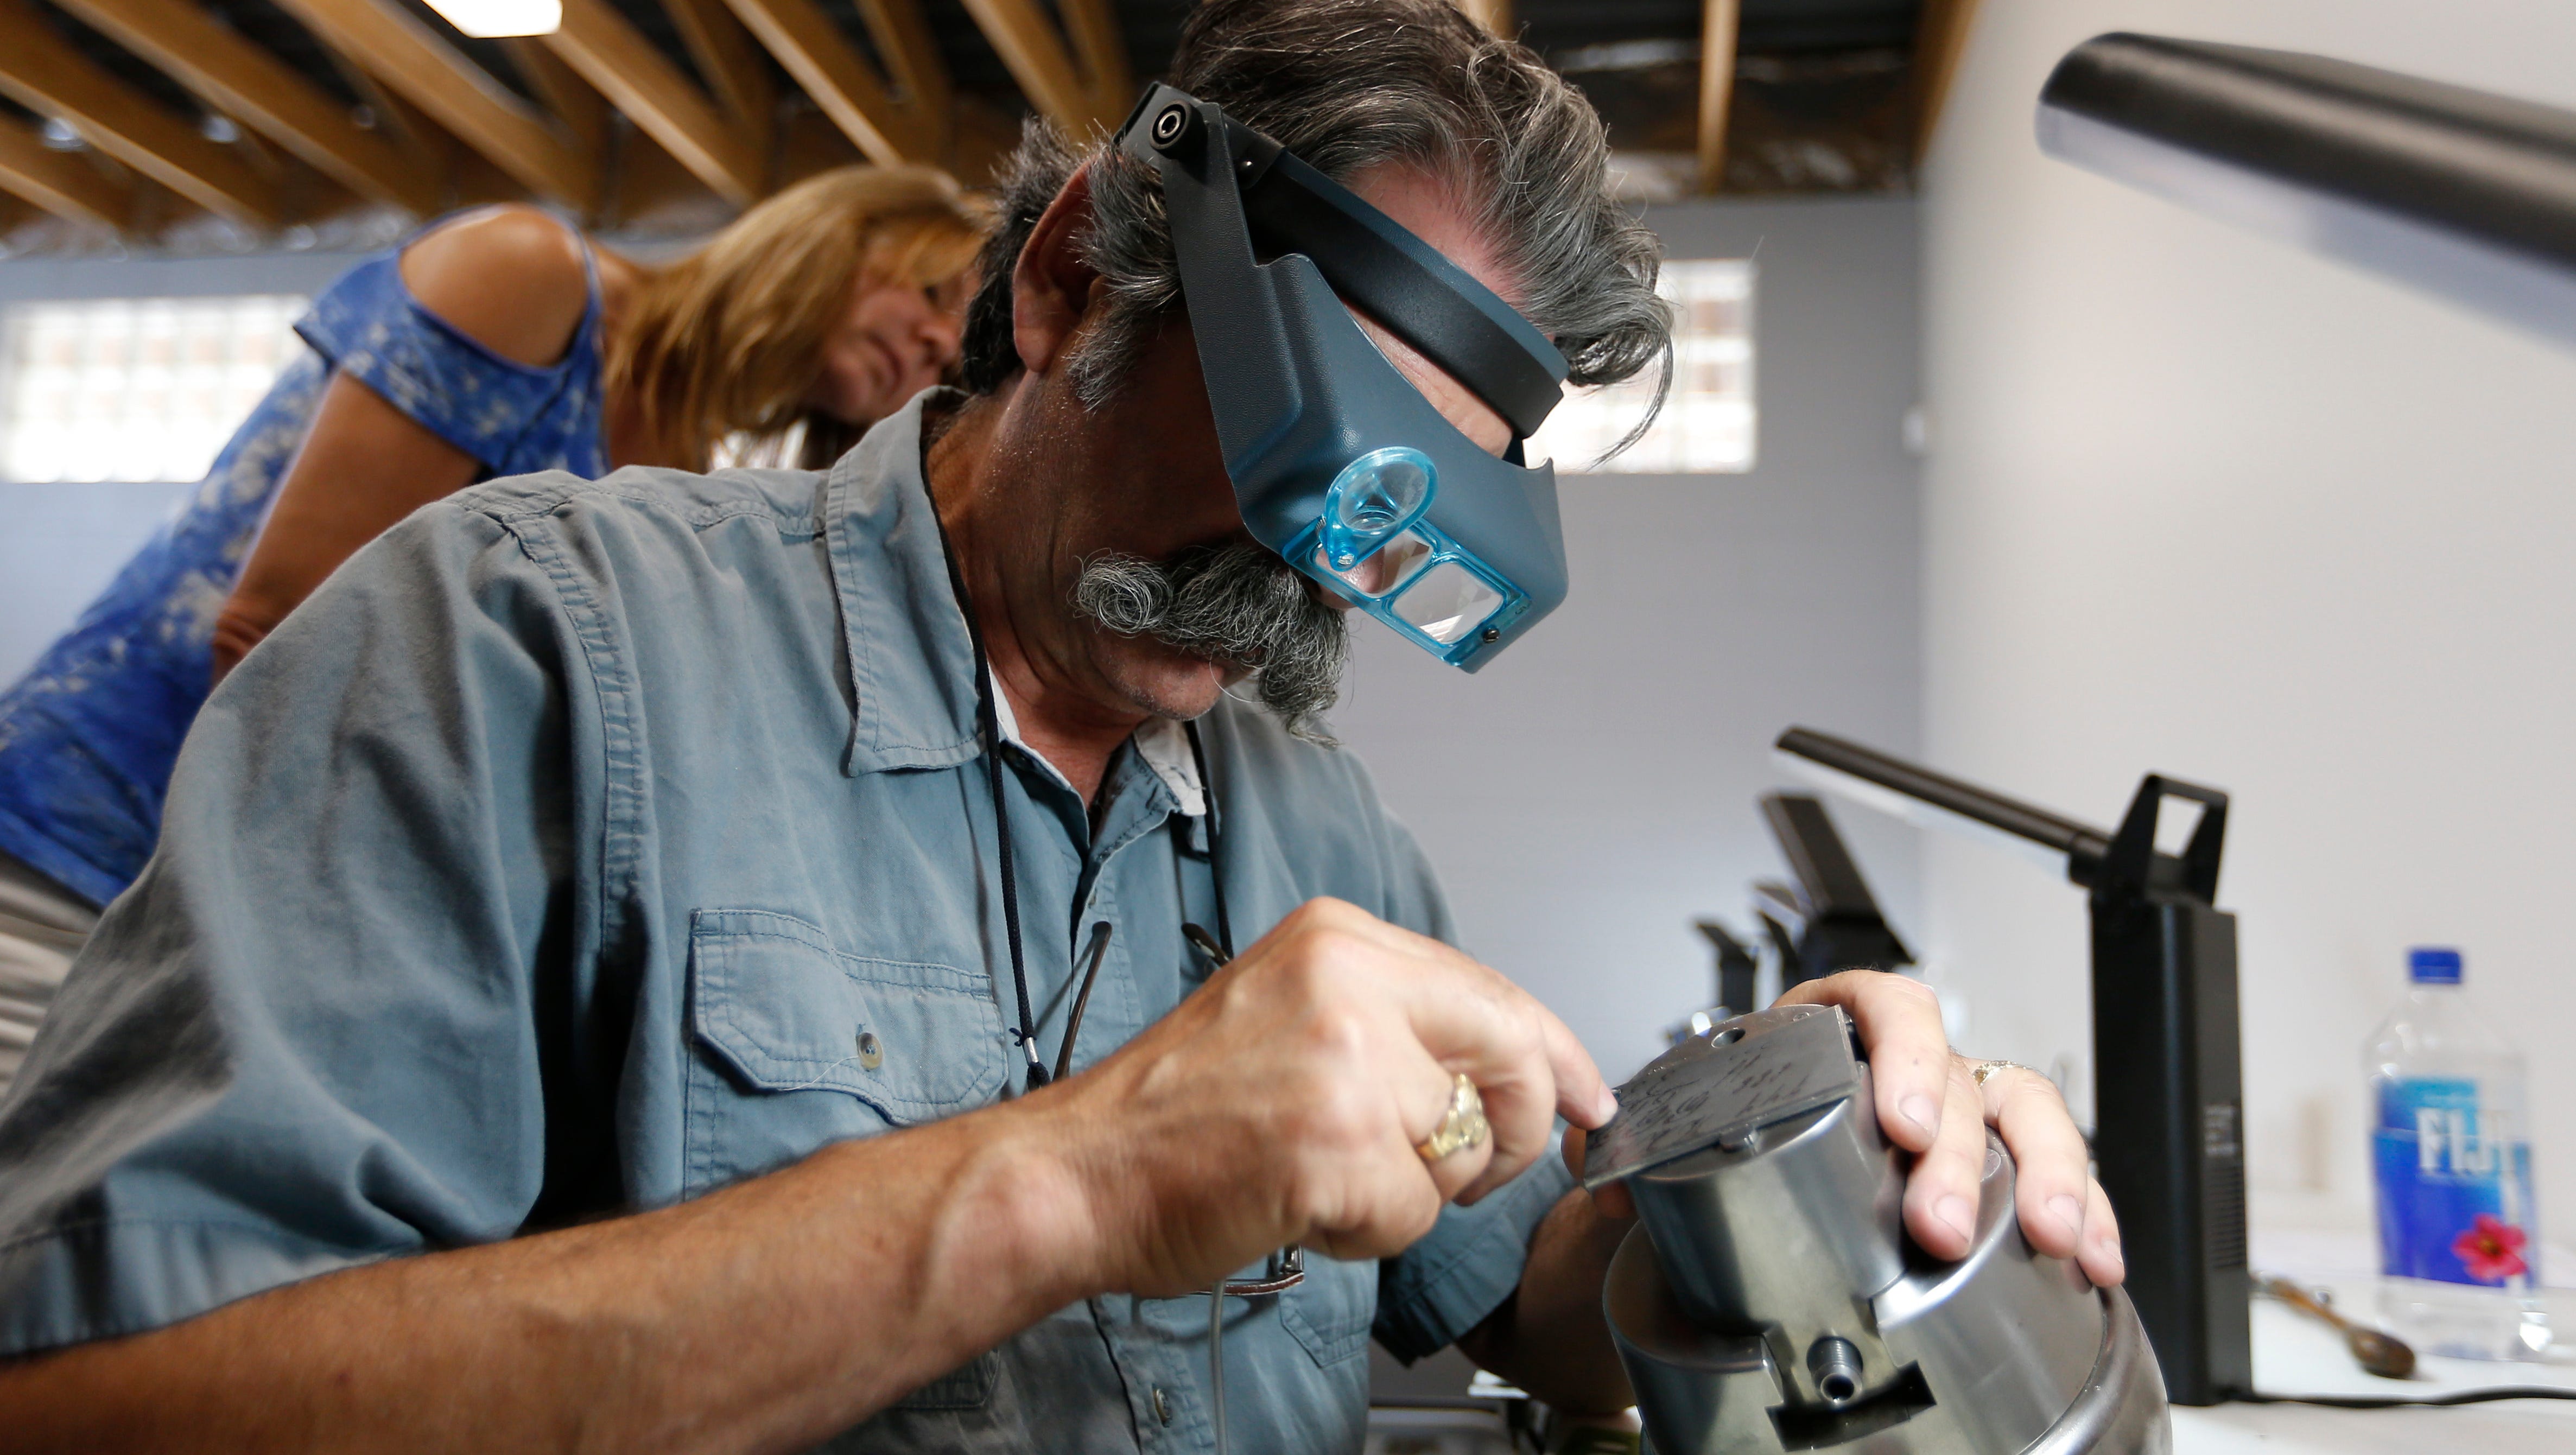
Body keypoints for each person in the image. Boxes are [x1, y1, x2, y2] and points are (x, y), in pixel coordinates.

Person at [0, 1, 2124, 1449]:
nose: (1309, 569)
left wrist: (1811, 1149)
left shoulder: (1317, 834)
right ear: (1071, 283)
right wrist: (1066, 1183)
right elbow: (100, 1396)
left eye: (1400, 519)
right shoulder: (528, 648)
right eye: (1307, 444)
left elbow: (1533, 1299)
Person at [0, 167, 988, 1094]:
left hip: (240, 918)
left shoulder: (686, 477)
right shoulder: (535, 278)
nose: (944, 344)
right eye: (939, 293)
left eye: (961, 338)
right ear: (836, 237)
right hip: (82, 845)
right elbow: (271, 633)